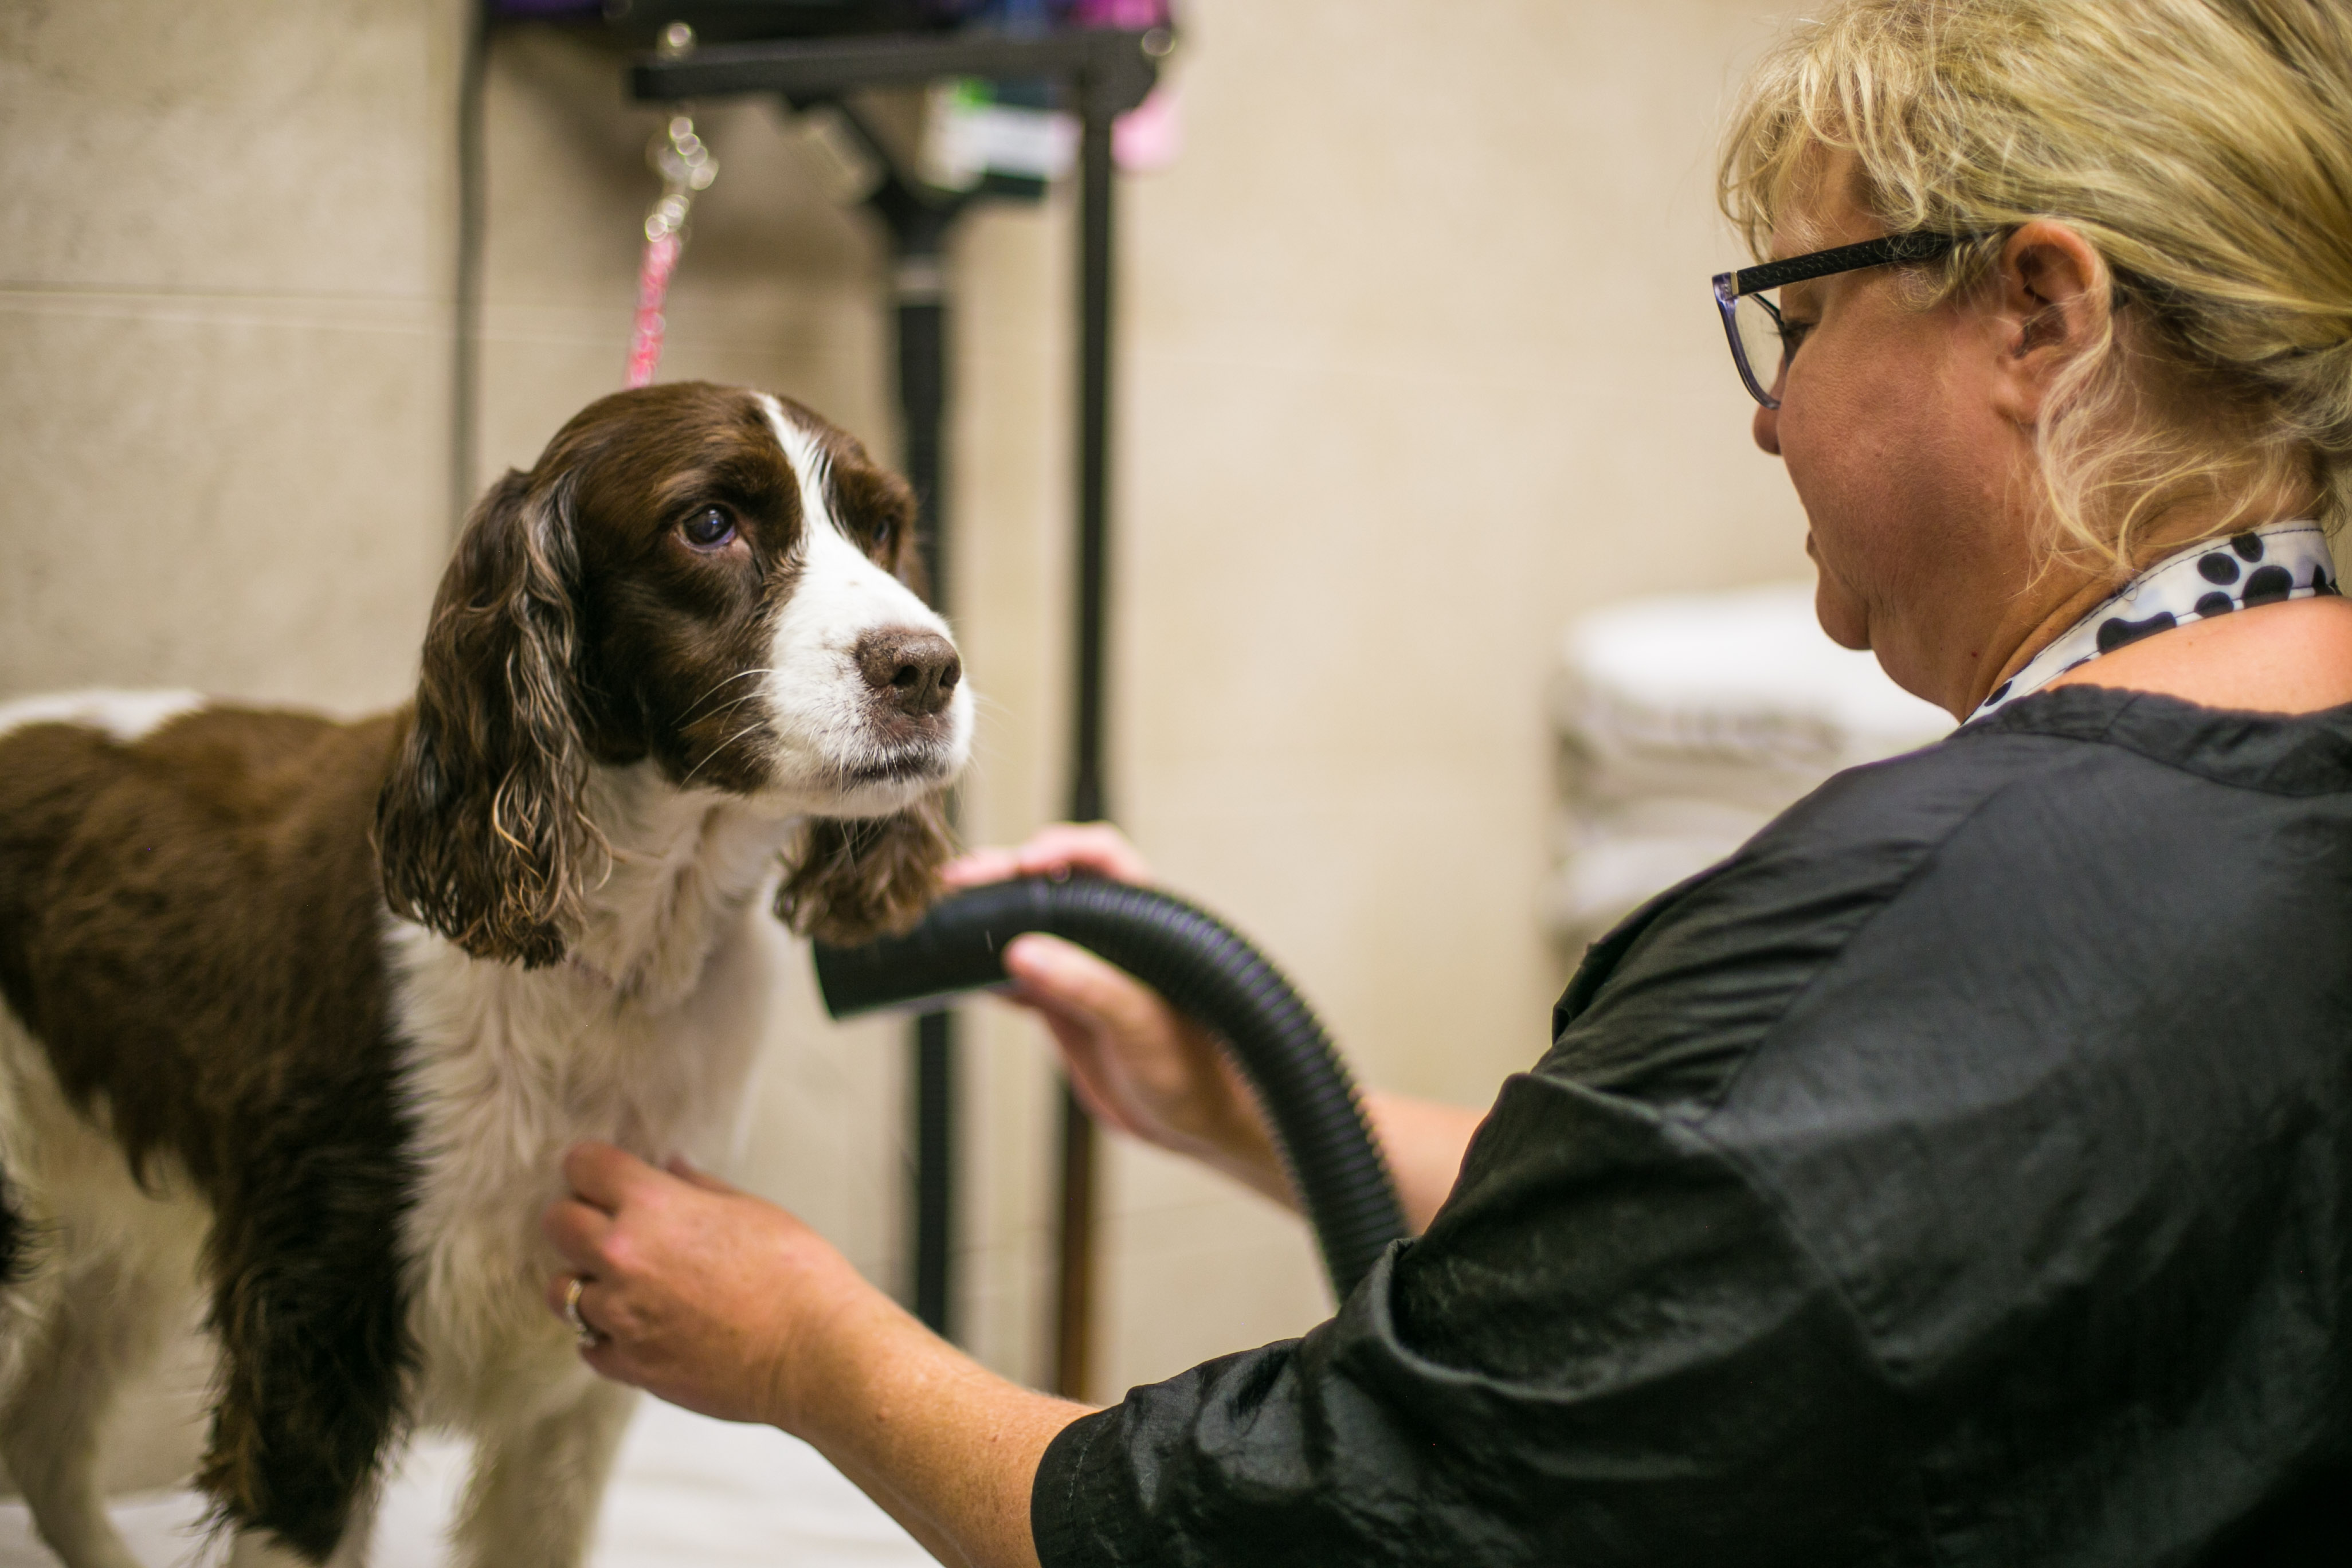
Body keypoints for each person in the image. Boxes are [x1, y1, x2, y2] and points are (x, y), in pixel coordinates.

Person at [540, 0, 2352, 1561]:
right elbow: (1783, 1233)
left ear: (2040, 315)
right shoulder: (2240, 822)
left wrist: (806, 1349)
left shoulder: (1909, 915)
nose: (1766, 412)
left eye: (1793, 318)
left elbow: (1298, 1530)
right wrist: (1241, 1091)